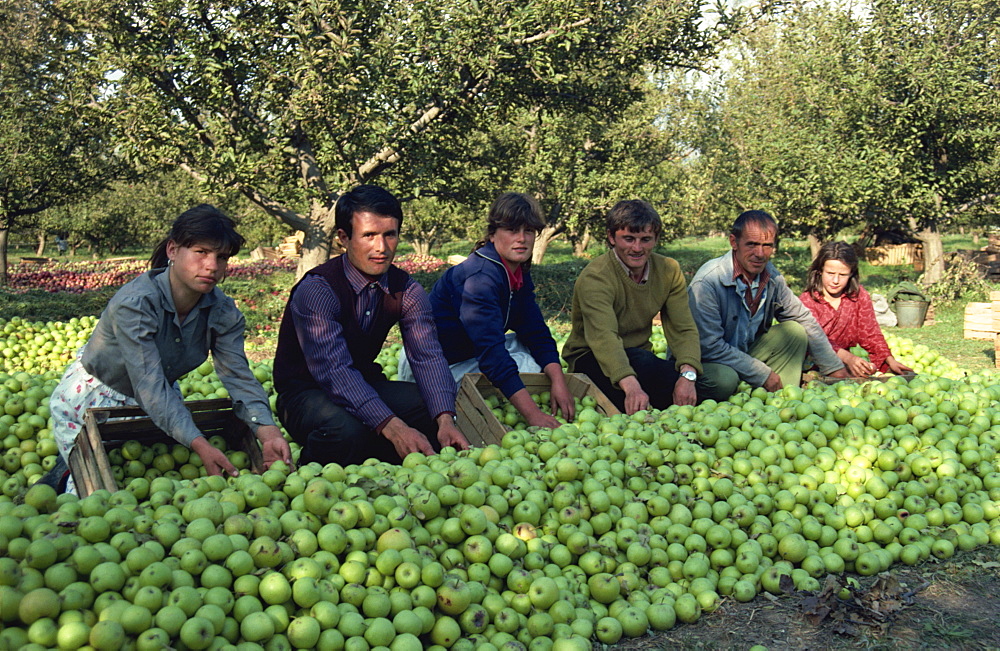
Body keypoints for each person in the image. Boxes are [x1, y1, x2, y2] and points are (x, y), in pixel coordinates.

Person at [47, 205, 292, 493]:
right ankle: (62, 475)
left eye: (222, 256)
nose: (212, 266)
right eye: (201, 252)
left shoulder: (222, 312)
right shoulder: (136, 304)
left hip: (162, 404)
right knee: (94, 492)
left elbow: (237, 375)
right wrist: (199, 442)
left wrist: (267, 430)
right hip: (94, 400)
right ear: (173, 250)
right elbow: (148, 382)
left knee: (154, 484)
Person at [273, 185, 469, 466]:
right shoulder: (318, 289)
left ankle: (381, 468)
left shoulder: (406, 290)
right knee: (345, 430)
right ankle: (308, 477)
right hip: (306, 392)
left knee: (431, 408)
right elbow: (335, 372)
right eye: (369, 236)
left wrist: (446, 419)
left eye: (390, 234)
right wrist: (394, 427)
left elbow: (428, 356)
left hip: (365, 381)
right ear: (343, 237)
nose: (381, 247)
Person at [399, 192, 574, 428]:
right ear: (493, 234)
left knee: (537, 359)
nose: (521, 239)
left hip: (467, 353)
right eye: (512, 230)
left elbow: (535, 331)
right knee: (529, 367)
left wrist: (559, 381)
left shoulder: (515, 271)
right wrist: (533, 415)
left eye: (529, 231)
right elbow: (492, 355)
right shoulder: (479, 279)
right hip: (434, 368)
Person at [688, 210, 848, 401]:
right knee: (725, 379)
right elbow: (709, 347)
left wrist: (834, 368)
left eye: (767, 246)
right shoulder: (708, 282)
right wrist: (762, 373)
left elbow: (802, 318)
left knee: (795, 331)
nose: (760, 254)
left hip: (742, 353)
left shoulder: (770, 276)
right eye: (752, 245)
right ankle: (736, 401)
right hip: (703, 363)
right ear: (733, 242)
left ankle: (779, 406)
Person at [562, 199, 702, 415]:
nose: (637, 248)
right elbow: (604, 338)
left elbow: (683, 328)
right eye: (628, 239)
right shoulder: (596, 277)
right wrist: (632, 387)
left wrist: (688, 374)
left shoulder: (668, 270)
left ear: (655, 239)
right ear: (611, 237)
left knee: (709, 384)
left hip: (640, 359)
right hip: (591, 358)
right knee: (645, 375)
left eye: (645, 240)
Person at [799, 241, 913, 377]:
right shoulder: (808, 301)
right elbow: (815, 340)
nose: (835, 280)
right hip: (810, 365)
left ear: (851, 274)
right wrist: (848, 358)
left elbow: (870, 333)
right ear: (819, 272)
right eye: (830, 273)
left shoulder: (858, 296)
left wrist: (889, 360)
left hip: (844, 363)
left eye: (842, 275)